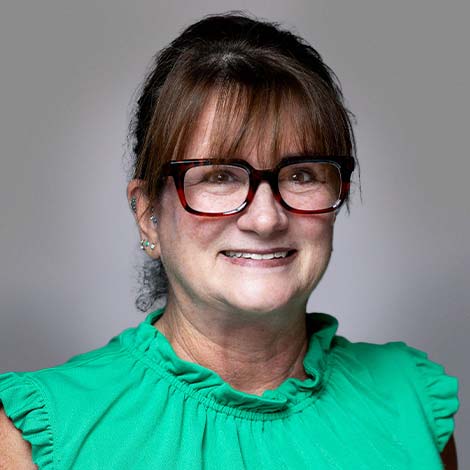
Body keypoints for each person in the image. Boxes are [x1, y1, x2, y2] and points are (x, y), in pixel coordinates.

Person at [0, 12, 459, 469]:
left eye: (301, 174)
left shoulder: (412, 404)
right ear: (147, 214)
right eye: (219, 176)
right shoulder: (41, 437)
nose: (265, 218)